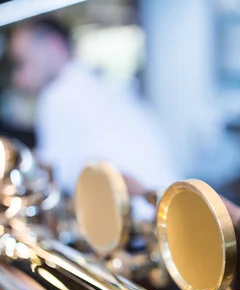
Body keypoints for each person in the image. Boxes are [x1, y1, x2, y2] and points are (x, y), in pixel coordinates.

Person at [8, 17, 177, 212]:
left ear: (54, 46)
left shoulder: (56, 97)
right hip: (165, 206)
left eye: (23, 63)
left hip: (135, 219)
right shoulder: (94, 81)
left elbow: (55, 177)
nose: (18, 79)